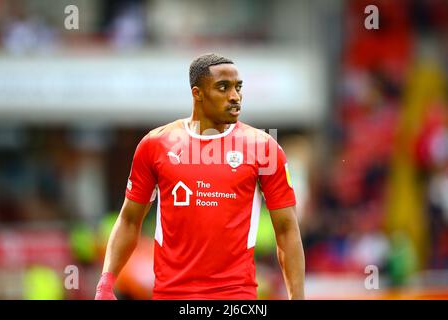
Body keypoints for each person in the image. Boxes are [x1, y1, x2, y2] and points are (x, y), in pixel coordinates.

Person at [95, 53, 305, 300]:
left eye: (238, 88)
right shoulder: (156, 144)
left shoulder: (263, 147)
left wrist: (297, 297)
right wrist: (106, 283)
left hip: (235, 297)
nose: (235, 96)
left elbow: (287, 229)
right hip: (171, 294)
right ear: (197, 93)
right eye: (223, 88)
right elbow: (130, 220)